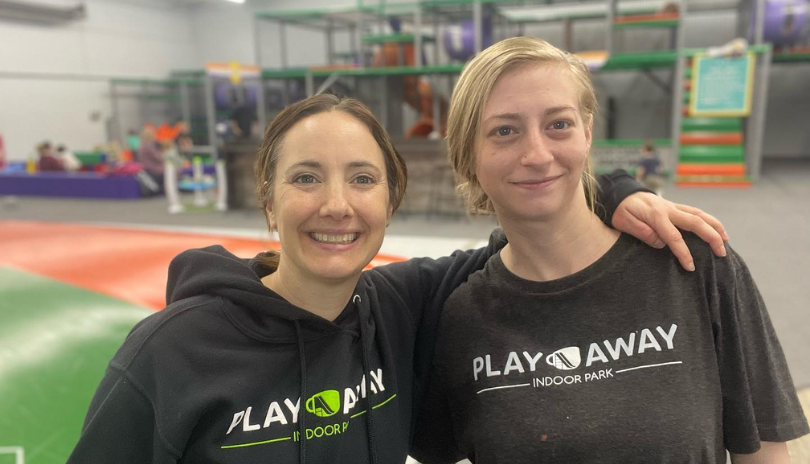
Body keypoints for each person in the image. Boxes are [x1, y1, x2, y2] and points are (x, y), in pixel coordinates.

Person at [67, 94, 728, 464]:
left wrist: (614, 191)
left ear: (390, 201)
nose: (336, 204)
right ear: (268, 203)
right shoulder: (171, 351)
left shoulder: (402, 304)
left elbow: (535, 232)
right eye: (305, 178)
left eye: (362, 178)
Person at [411, 37, 809, 464]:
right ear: (467, 154)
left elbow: (764, 452)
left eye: (558, 124)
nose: (537, 154)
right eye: (504, 131)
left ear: (587, 132)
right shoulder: (460, 316)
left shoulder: (694, 263)